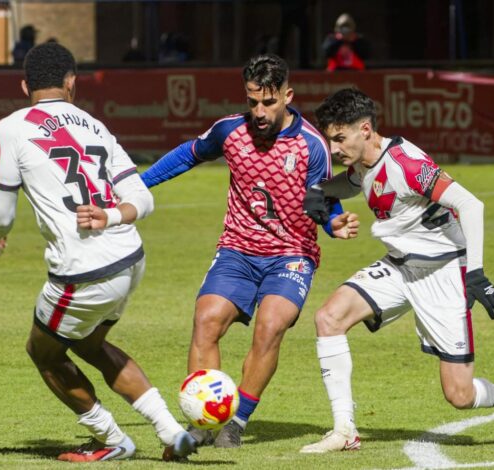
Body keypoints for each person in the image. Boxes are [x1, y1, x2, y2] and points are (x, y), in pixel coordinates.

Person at [0, 42, 196, 462]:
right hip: (130, 259)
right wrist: (111, 215)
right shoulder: (96, 125)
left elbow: (1, 215)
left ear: (24, 86)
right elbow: (143, 198)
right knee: (88, 343)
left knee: (43, 351)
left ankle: (111, 440)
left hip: (84, 271)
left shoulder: (12, 127)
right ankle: (172, 431)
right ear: (72, 82)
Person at [298, 88, 494, 453]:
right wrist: (322, 189)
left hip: (444, 272)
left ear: (365, 129)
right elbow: (355, 181)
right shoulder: (364, 160)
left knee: (459, 394)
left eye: (340, 139)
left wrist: (476, 274)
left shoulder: (407, 165)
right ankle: (344, 430)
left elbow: (471, 205)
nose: (333, 149)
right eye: (330, 140)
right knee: (328, 318)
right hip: (400, 267)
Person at [141, 53, 359, 449]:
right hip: (237, 250)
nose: (259, 111)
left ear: (287, 96)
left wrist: (334, 224)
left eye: (268, 102)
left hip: (292, 254)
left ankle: (236, 421)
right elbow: (188, 154)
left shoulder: (312, 145)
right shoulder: (230, 131)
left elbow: (322, 200)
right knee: (206, 321)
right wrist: (137, 186)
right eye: (252, 101)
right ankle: (203, 420)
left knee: (270, 326)